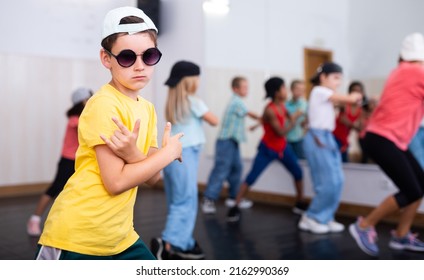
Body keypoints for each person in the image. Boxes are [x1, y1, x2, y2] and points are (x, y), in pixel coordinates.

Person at [36, 6, 183, 260]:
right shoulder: (104, 104)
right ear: (107, 59)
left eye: (149, 56)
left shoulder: (147, 109)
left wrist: (135, 153)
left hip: (120, 235)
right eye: (127, 57)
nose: (140, 66)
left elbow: (153, 176)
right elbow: (116, 183)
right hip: (78, 235)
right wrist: (168, 153)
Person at [349, 33, 424, 256]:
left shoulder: (399, 72)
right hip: (384, 139)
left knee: (420, 184)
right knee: (411, 190)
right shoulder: (417, 72)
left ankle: (401, 235)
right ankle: (363, 226)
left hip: (385, 138)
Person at [150, 61, 219, 260]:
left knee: (177, 201)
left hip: (171, 154)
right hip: (184, 155)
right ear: (191, 81)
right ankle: (168, 243)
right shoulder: (194, 101)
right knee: (186, 202)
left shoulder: (173, 102)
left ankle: (185, 243)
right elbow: (214, 120)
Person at [227, 77, 307, 222]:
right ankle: (235, 206)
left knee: (298, 172)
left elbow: (278, 118)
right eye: (284, 88)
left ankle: (300, 203)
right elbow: (281, 132)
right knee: (252, 177)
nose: (286, 91)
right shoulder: (269, 109)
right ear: (277, 92)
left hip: (283, 148)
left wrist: (298, 115)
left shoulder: (282, 106)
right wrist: (294, 122)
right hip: (268, 149)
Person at [298, 62, 362, 234]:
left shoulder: (325, 94)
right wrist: (355, 95)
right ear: (323, 77)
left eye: (340, 78)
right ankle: (312, 217)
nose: (338, 82)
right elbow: (344, 99)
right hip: (317, 137)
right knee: (326, 182)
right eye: (335, 78)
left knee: (338, 180)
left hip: (327, 137)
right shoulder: (319, 91)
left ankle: (326, 217)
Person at [26, 88, 92, 237]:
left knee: (78, 192)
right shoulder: (75, 119)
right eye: (89, 98)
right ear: (82, 101)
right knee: (55, 188)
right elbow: (85, 129)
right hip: (68, 160)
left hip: (81, 160)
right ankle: (34, 219)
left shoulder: (84, 116)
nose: (91, 101)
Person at [201, 76, 260, 214]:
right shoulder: (236, 101)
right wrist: (264, 117)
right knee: (222, 169)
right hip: (225, 141)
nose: (247, 90)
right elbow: (250, 114)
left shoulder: (237, 101)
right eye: (244, 87)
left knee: (237, 168)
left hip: (233, 141)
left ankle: (234, 197)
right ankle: (208, 199)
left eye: (247, 87)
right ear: (235, 89)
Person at [332, 81, 365, 162]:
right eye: (354, 91)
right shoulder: (345, 104)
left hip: (345, 139)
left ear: (362, 93)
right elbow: (341, 119)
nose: (356, 93)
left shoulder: (361, 110)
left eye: (359, 91)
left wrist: (350, 124)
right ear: (350, 93)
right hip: (334, 136)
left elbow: (360, 128)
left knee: (344, 162)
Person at [285, 79, 308, 160]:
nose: (300, 92)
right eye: (297, 89)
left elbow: (297, 116)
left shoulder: (304, 104)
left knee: (301, 162)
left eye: (302, 90)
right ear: (291, 89)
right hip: (286, 138)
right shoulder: (285, 104)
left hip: (300, 139)